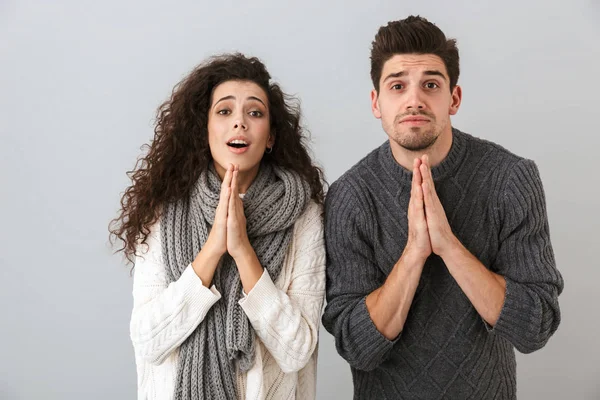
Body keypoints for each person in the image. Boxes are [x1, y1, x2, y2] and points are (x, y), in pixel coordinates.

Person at [322, 16, 563, 399]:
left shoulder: (510, 178)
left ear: (453, 98)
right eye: (397, 86)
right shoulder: (351, 195)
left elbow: (535, 327)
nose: (413, 99)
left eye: (430, 84)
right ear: (376, 103)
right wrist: (414, 254)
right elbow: (356, 346)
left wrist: (449, 246)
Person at [110, 53, 326, 400]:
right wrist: (212, 249)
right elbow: (149, 341)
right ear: (205, 129)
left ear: (270, 136)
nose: (239, 122)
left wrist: (243, 251)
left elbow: (298, 349)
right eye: (224, 111)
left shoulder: (303, 215)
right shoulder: (163, 210)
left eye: (254, 113)